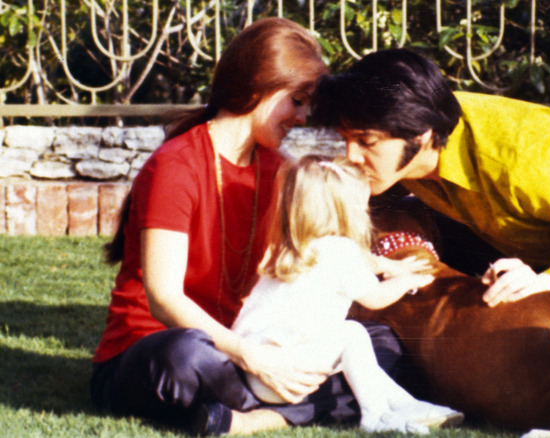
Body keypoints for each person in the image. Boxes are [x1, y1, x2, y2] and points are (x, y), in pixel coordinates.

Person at [90, 18, 406, 436]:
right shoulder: (176, 165)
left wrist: (389, 265)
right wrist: (252, 357)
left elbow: (321, 248)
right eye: (296, 100)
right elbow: (163, 299)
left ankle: (250, 418)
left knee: (378, 344)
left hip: (250, 355)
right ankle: (291, 407)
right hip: (167, 351)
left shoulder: (279, 170)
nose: (301, 116)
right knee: (183, 356)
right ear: (260, 86)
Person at [310, 48, 550, 304]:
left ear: (419, 135)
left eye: (365, 141)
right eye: (345, 140)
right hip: (508, 239)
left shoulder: (521, 151)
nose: (350, 156)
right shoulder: (399, 152)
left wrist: (547, 283)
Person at [232, 155, 464, 433]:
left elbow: (367, 262)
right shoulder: (342, 251)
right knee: (352, 335)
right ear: (345, 211)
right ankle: (375, 417)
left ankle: (408, 405)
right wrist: (408, 280)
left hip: (255, 369)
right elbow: (375, 298)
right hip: (289, 375)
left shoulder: (295, 248)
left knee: (355, 356)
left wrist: (391, 265)